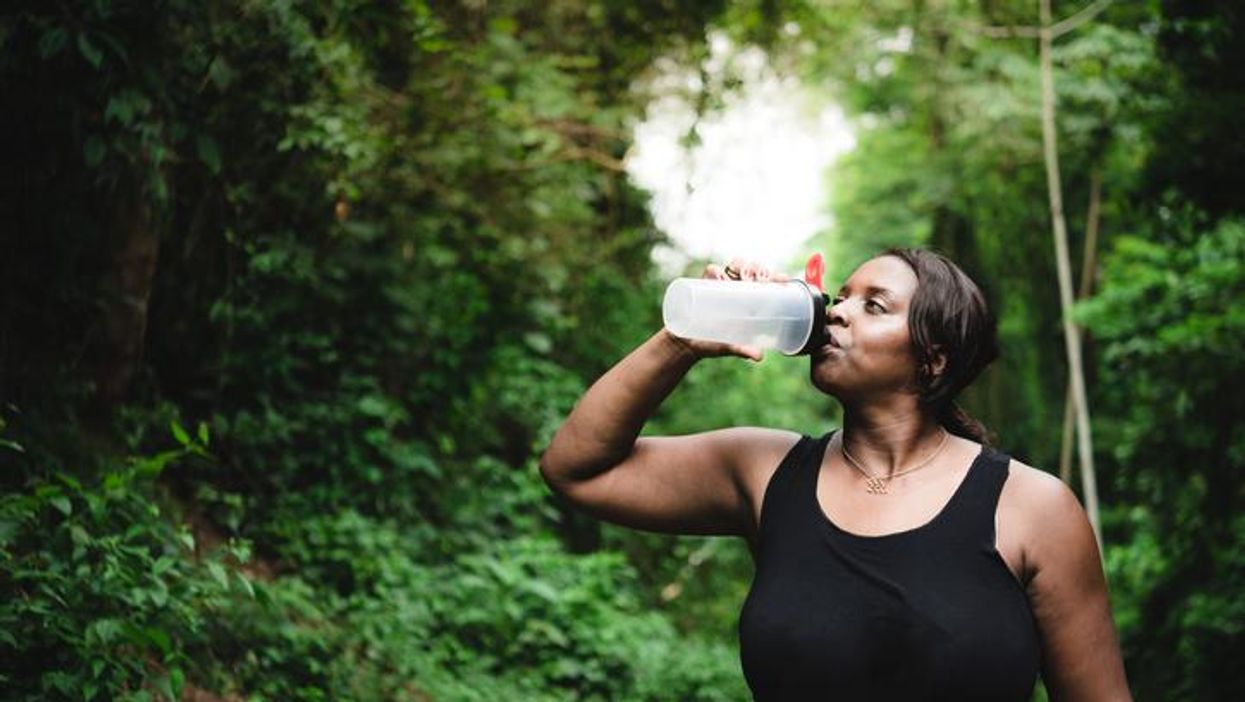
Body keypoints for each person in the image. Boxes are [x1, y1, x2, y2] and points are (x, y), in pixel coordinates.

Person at [539, 248, 1132, 701]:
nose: (837, 312)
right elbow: (577, 469)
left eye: (873, 305)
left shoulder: (1032, 508)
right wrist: (681, 341)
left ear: (933, 359)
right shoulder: (765, 471)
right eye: (841, 297)